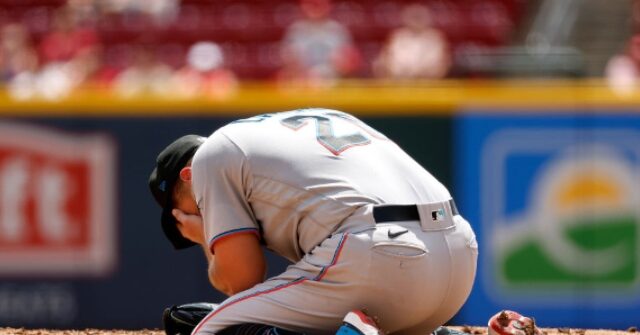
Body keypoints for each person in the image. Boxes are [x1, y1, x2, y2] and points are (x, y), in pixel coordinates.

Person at [148, 108, 478, 335]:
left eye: (193, 209)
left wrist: (208, 240)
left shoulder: (210, 157)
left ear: (188, 176)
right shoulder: (301, 124)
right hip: (459, 255)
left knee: (210, 330)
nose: (203, 216)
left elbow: (241, 280)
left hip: (384, 259)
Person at [373, 3, 451, 80]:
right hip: (400, 82)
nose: (416, 21)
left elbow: (443, 64)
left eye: (419, 17)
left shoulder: (435, 38)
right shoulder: (397, 36)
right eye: (414, 18)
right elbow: (385, 60)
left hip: (428, 83)